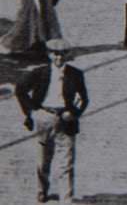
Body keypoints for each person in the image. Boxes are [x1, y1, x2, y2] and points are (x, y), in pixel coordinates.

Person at [15, 38, 88, 205]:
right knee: (43, 162)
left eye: (63, 54)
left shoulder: (76, 75)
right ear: (49, 54)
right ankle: (42, 192)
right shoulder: (39, 73)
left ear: (68, 55)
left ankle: (66, 199)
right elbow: (20, 90)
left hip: (66, 120)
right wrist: (32, 111)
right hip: (45, 118)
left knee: (66, 163)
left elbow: (84, 99)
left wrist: (74, 113)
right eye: (55, 54)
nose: (59, 58)